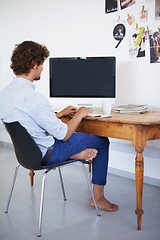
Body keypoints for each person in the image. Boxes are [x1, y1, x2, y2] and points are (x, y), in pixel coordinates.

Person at [0, 41, 118, 212]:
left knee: (68, 135)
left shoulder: (5, 94)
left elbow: (28, 122)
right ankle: (98, 198)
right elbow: (64, 135)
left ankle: (77, 155)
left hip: (26, 156)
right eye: (41, 64)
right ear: (34, 64)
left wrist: (58, 115)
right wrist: (80, 113)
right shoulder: (34, 98)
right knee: (101, 140)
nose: (42, 68)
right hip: (48, 154)